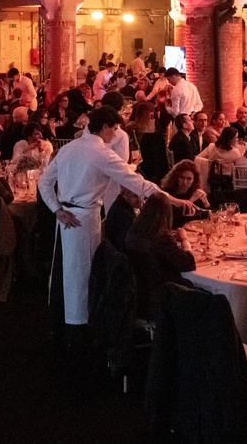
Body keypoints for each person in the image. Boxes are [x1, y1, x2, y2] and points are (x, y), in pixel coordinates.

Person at [38, 106, 197, 336]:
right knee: (83, 274)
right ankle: (81, 328)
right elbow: (137, 183)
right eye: (114, 128)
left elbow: (44, 183)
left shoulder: (69, 149)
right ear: (103, 127)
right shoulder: (101, 153)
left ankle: (65, 325)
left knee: (66, 271)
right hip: (83, 219)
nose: (115, 134)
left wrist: (56, 209)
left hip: (66, 217)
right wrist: (173, 200)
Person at [125, 192, 197, 319]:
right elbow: (189, 263)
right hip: (165, 293)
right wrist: (184, 240)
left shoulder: (134, 231)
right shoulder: (162, 238)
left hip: (141, 293)